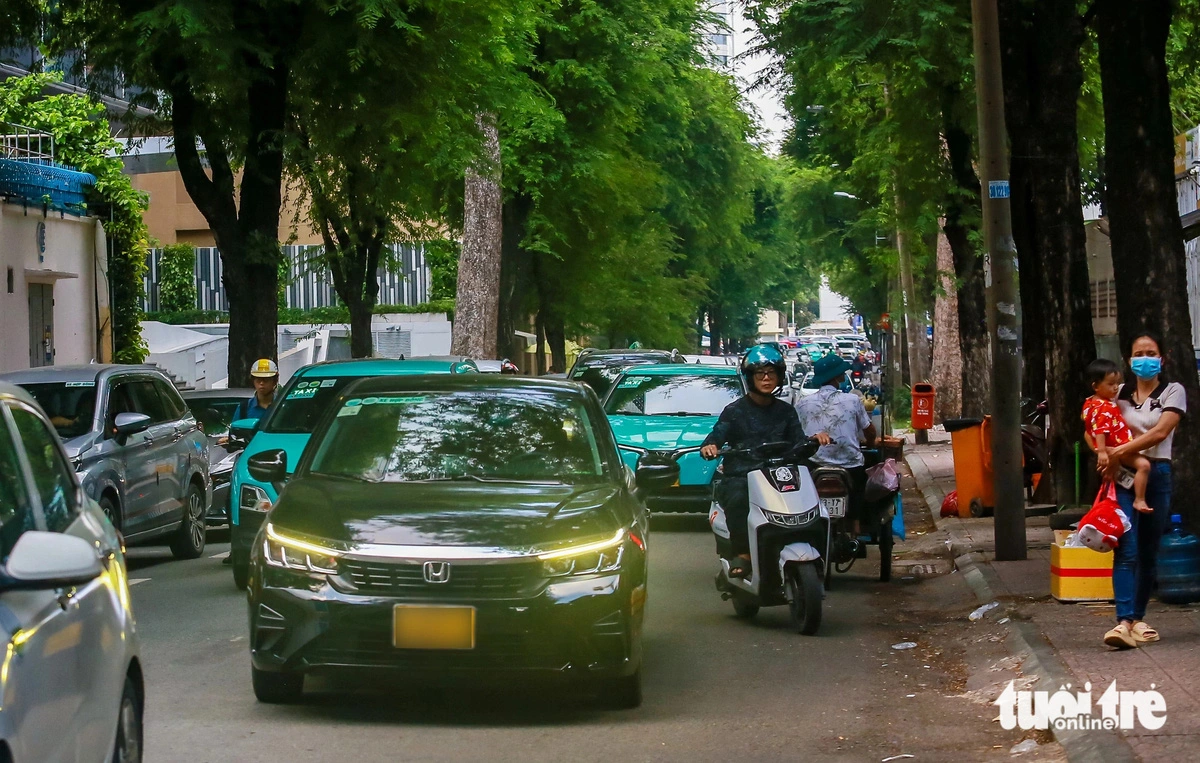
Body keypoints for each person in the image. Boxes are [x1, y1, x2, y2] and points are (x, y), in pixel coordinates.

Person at [1094, 334, 1185, 650]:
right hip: (1121, 476)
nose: (1144, 358)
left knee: (1148, 552)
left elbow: (1161, 432)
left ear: (1162, 358)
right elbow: (1092, 422)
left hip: (1157, 472)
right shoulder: (1116, 392)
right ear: (1129, 359)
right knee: (1126, 547)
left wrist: (1119, 449)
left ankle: (1134, 618)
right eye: (1138, 353)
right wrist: (1103, 452)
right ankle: (1122, 622)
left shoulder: (1173, 392)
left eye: (1151, 353)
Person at [700, 345, 815, 578]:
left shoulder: (786, 411)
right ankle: (742, 553)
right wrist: (710, 446)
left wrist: (815, 441)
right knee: (737, 497)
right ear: (750, 378)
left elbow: (798, 441)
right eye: (760, 374)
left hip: (781, 474)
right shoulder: (734, 411)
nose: (766, 378)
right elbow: (716, 437)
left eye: (771, 373)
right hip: (744, 474)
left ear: (779, 377)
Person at [794, 353, 877, 532]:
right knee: (860, 483)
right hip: (850, 465)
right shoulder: (853, 400)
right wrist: (870, 443)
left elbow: (797, 435)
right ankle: (854, 524)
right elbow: (869, 430)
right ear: (838, 377)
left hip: (815, 465)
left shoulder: (802, 403)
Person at [1082, 358, 1151, 513]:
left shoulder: (1091, 403)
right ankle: (1139, 499)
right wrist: (1101, 451)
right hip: (1116, 448)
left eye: (1117, 383)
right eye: (1111, 384)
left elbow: (1089, 428)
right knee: (1144, 465)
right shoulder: (1103, 407)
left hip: (1114, 448)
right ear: (1095, 386)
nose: (1115, 388)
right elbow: (1099, 429)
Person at [234, 359, 280, 423]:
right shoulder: (243, 408)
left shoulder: (282, 407)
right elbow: (235, 430)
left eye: (266, 379)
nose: (261, 383)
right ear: (253, 381)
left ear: (274, 381)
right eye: (258, 379)